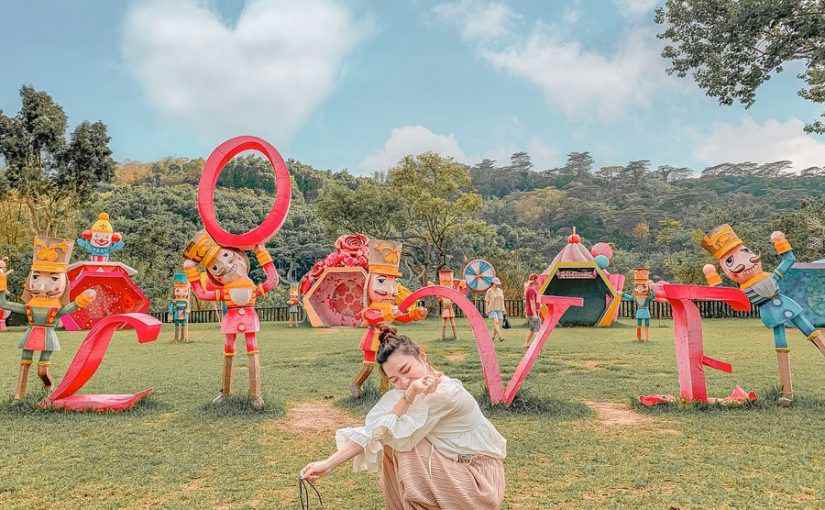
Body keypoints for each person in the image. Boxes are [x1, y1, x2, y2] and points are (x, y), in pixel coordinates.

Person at [300, 328, 506, 509]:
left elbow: (385, 432)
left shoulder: (445, 393)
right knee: (395, 437)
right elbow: (374, 431)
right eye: (394, 379)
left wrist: (408, 396)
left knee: (405, 444)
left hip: (478, 483)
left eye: (406, 370)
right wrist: (328, 463)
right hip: (455, 469)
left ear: (422, 357)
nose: (405, 382)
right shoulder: (413, 390)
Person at [701, 225, 825, 406]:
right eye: (730, 261)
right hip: (772, 315)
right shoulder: (744, 291)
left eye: (744, 251)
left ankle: (787, 392)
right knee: (781, 349)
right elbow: (729, 299)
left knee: (814, 335)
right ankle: (787, 392)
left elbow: (789, 259)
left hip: (789, 306)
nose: (744, 261)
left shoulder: (770, 277)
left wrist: (780, 242)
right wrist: (712, 277)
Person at [485, 277, 506, 342]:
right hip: (492, 309)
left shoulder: (500, 290)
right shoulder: (489, 291)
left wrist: (504, 309)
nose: (497, 285)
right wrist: (486, 310)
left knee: (497, 324)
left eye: (498, 284)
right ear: (492, 283)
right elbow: (487, 301)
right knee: (496, 322)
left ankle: (492, 337)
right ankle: (500, 336)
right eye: (496, 283)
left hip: (499, 308)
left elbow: (502, 300)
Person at [523, 274, 541, 349]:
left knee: (532, 329)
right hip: (532, 313)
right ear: (535, 280)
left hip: (531, 312)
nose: (539, 281)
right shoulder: (531, 290)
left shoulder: (530, 289)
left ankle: (526, 344)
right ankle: (537, 348)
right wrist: (535, 315)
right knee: (537, 330)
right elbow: (532, 302)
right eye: (538, 279)